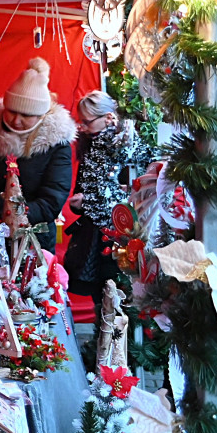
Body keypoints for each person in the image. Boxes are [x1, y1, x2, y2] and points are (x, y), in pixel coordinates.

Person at [0, 57, 76, 253]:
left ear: (41, 115)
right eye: (11, 111)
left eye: (26, 115)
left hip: (34, 240)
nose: (16, 120)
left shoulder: (56, 145)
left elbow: (52, 199)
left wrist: (10, 214)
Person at [64, 90, 151, 309]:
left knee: (112, 293)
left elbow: (131, 192)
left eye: (87, 121)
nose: (82, 127)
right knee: (101, 296)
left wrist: (87, 201)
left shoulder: (125, 145)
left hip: (117, 233)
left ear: (108, 117)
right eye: (80, 121)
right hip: (96, 230)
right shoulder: (93, 144)